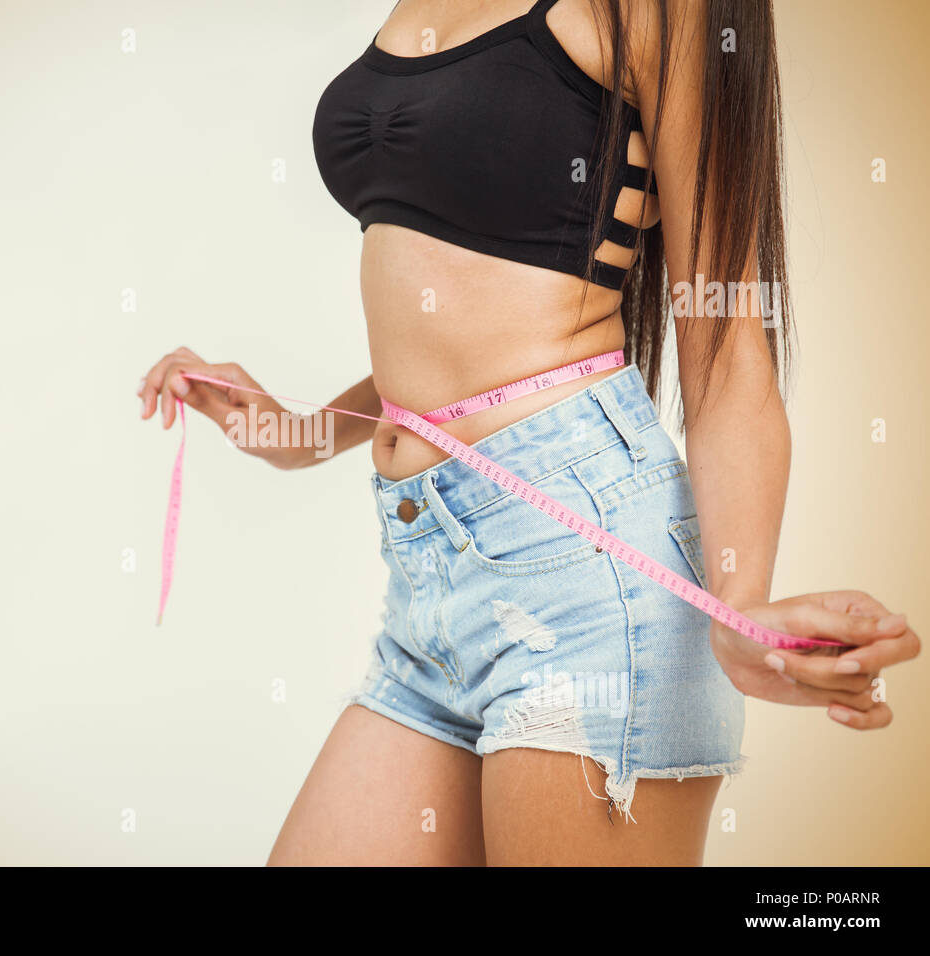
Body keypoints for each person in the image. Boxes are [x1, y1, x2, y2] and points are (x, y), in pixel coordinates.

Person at [136, 0, 920, 865]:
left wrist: (739, 603)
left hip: (585, 571)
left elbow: (725, 344)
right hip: (425, 597)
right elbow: (459, 335)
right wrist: (300, 432)